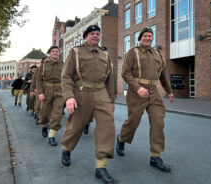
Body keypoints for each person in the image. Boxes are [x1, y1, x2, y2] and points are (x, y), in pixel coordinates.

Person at [60, 25, 116, 184]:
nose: (96, 36)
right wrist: (69, 97)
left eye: (98, 33)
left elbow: (110, 79)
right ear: (86, 36)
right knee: (75, 126)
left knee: (107, 127)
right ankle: (66, 149)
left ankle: (101, 166)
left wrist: (111, 100)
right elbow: (66, 77)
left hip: (101, 93)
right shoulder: (76, 52)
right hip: (81, 93)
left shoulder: (104, 54)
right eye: (92, 33)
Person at [116, 27, 174, 173]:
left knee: (158, 122)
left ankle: (155, 156)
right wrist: (137, 88)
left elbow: (163, 75)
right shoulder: (132, 52)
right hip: (137, 92)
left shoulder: (157, 54)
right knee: (133, 122)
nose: (148, 38)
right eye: (145, 36)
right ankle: (121, 139)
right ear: (140, 38)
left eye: (150, 36)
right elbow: (125, 73)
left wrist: (169, 91)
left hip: (154, 92)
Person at [36, 46, 64, 146]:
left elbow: (68, 79)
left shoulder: (64, 65)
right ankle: (44, 125)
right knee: (43, 114)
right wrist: (40, 92)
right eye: (53, 51)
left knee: (57, 115)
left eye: (57, 51)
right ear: (49, 53)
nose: (55, 53)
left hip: (60, 92)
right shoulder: (43, 65)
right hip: (46, 91)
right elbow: (38, 80)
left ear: (59, 53)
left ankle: (52, 136)